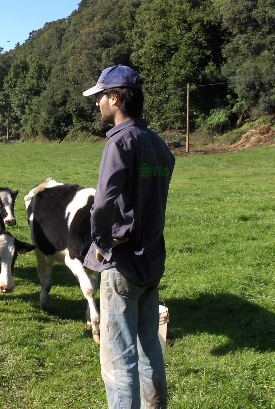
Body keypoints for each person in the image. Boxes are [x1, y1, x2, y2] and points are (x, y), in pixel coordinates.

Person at [82, 65, 175, 409]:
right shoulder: (157, 143)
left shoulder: (120, 143)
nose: (97, 105)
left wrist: (102, 244)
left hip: (122, 264)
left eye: (101, 97)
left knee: (118, 360)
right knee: (149, 345)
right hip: (152, 259)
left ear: (116, 98)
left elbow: (104, 202)